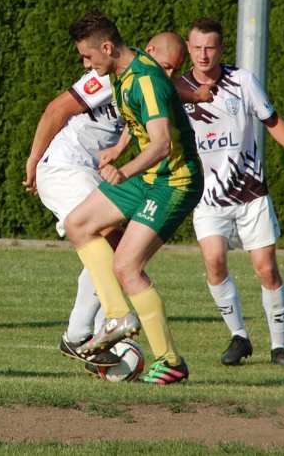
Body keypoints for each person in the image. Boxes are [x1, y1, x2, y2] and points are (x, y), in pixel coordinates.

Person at [23, 32, 195, 369]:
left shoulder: (147, 79)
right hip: (65, 166)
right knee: (98, 234)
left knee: (115, 248)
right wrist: (32, 160)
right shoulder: (107, 75)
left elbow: (162, 99)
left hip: (89, 169)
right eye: (166, 66)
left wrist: (196, 93)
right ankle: (96, 328)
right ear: (147, 53)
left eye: (175, 70)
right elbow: (56, 109)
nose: (169, 75)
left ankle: (88, 333)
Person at [63, 11, 204, 385]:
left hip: (174, 182)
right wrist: (119, 148)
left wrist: (123, 170)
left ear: (107, 47)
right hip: (147, 178)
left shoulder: (145, 80)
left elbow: (162, 144)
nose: (86, 64)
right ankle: (115, 317)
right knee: (78, 224)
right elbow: (137, 122)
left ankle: (170, 362)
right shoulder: (126, 72)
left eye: (88, 56)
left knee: (127, 266)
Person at [176, 18, 284, 366]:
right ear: (188, 49)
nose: (204, 54)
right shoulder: (177, 89)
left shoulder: (242, 81)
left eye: (211, 47)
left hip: (250, 192)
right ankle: (239, 337)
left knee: (266, 269)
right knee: (214, 261)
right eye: (197, 47)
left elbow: (272, 120)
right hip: (207, 197)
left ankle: (279, 347)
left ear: (221, 49)